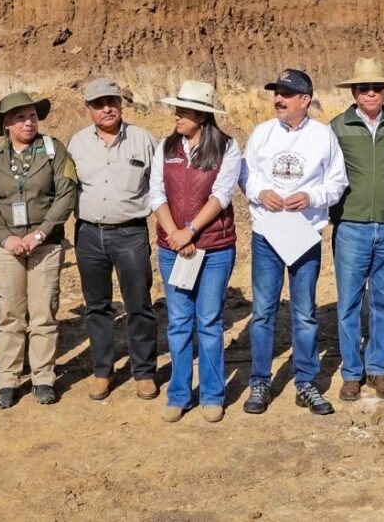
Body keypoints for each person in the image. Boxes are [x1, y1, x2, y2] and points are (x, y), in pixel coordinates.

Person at [240, 69, 348, 416]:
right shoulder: (261, 133)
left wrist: (312, 196)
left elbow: (337, 182)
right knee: (263, 312)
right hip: (267, 233)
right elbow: (245, 175)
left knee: (304, 314)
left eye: (286, 93)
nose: (278, 99)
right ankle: (260, 381)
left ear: (305, 100)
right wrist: (261, 192)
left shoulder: (323, 135)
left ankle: (306, 383)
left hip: (305, 235)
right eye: (276, 92)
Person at [0, 92, 77, 408]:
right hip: (6, 248)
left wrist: (42, 230)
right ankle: (8, 379)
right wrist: (5, 237)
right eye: (20, 118)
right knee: (9, 316)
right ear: (6, 124)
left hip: (44, 245)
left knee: (44, 313)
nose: (28, 122)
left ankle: (43, 377)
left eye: (32, 116)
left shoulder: (53, 150)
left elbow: (65, 192)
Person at [148, 80, 240, 422]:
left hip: (214, 249)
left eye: (183, 110)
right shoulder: (166, 147)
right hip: (173, 248)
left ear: (202, 115)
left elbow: (222, 195)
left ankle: (213, 394)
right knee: (179, 322)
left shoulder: (227, 148)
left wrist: (190, 231)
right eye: (177, 109)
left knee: (210, 321)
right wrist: (174, 234)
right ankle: (180, 394)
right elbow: (156, 193)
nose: (177, 115)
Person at [67, 78, 159, 402]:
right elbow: (65, 189)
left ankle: (144, 372)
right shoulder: (76, 144)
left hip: (131, 233)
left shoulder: (144, 140)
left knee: (139, 305)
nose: (106, 108)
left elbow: (159, 187)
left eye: (112, 101)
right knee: (97, 307)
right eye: (98, 104)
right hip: (89, 235)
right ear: (88, 109)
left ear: (121, 103)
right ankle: (102, 370)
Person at [330, 58, 384, 402]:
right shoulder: (336, 127)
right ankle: (352, 373)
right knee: (349, 302)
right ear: (354, 91)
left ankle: (378, 369)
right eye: (364, 88)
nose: (371, 93)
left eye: (377, 88)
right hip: (351, 227)